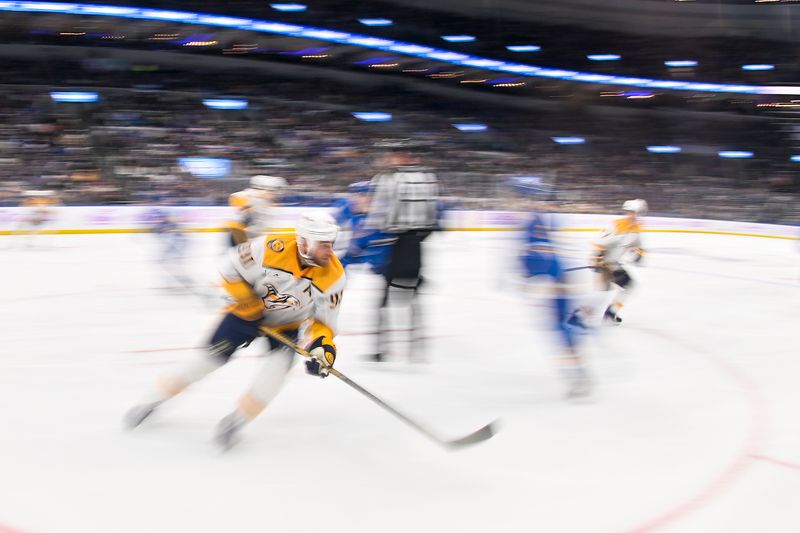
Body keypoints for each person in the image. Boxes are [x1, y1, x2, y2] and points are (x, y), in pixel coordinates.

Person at [125, 211, 345, 450]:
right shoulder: (271, 247)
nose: (329, 251)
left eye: (330, 244)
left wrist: (323, 348)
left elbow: (324, 322)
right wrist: (248, 303)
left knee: (274, 376)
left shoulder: (334, 276)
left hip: (286, 326)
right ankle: (152, 401)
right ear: (303, 242)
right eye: (322, 244)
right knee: (204, 363)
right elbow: (229, 268)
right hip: (243, 316)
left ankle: (236, 421)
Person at [513, 177, 590, 398]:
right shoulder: (547, 219)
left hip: (558, 281)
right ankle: (578, 371)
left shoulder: (531, 223)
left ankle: (578, 375)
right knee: (563, 328)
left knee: (560, 329)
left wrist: (527, 275)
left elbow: (535, 255)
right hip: (564, 277)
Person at [363, 148, 439, 362]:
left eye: (392, 155)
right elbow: (434, 215)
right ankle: (417, 350)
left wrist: (372, 241)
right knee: (413, 299)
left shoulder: (387, 179)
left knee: (383, 300)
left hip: (394, 245)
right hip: (415, 247)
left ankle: (381, 350)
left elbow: (379, 215)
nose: (388, 159)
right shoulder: (427, 178)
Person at [592, 199, 648, 324]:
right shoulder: (616, 224)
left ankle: (610, 313)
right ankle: (579, 315)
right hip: (605, 263)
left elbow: (639, 246)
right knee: (602, 292)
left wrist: (639, 254)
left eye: (636, 213)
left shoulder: (636, 229)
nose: (633, 215)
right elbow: (599, 241)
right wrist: (598, 258)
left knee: (628, 287)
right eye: (631, 212)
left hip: (614, 264)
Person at [227, 175, 288, 246]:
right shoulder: (256, 199)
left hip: (242, 235)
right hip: (240, 237)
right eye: (276, 190)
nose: (278, 194)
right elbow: (235, 197)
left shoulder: (258, 199)